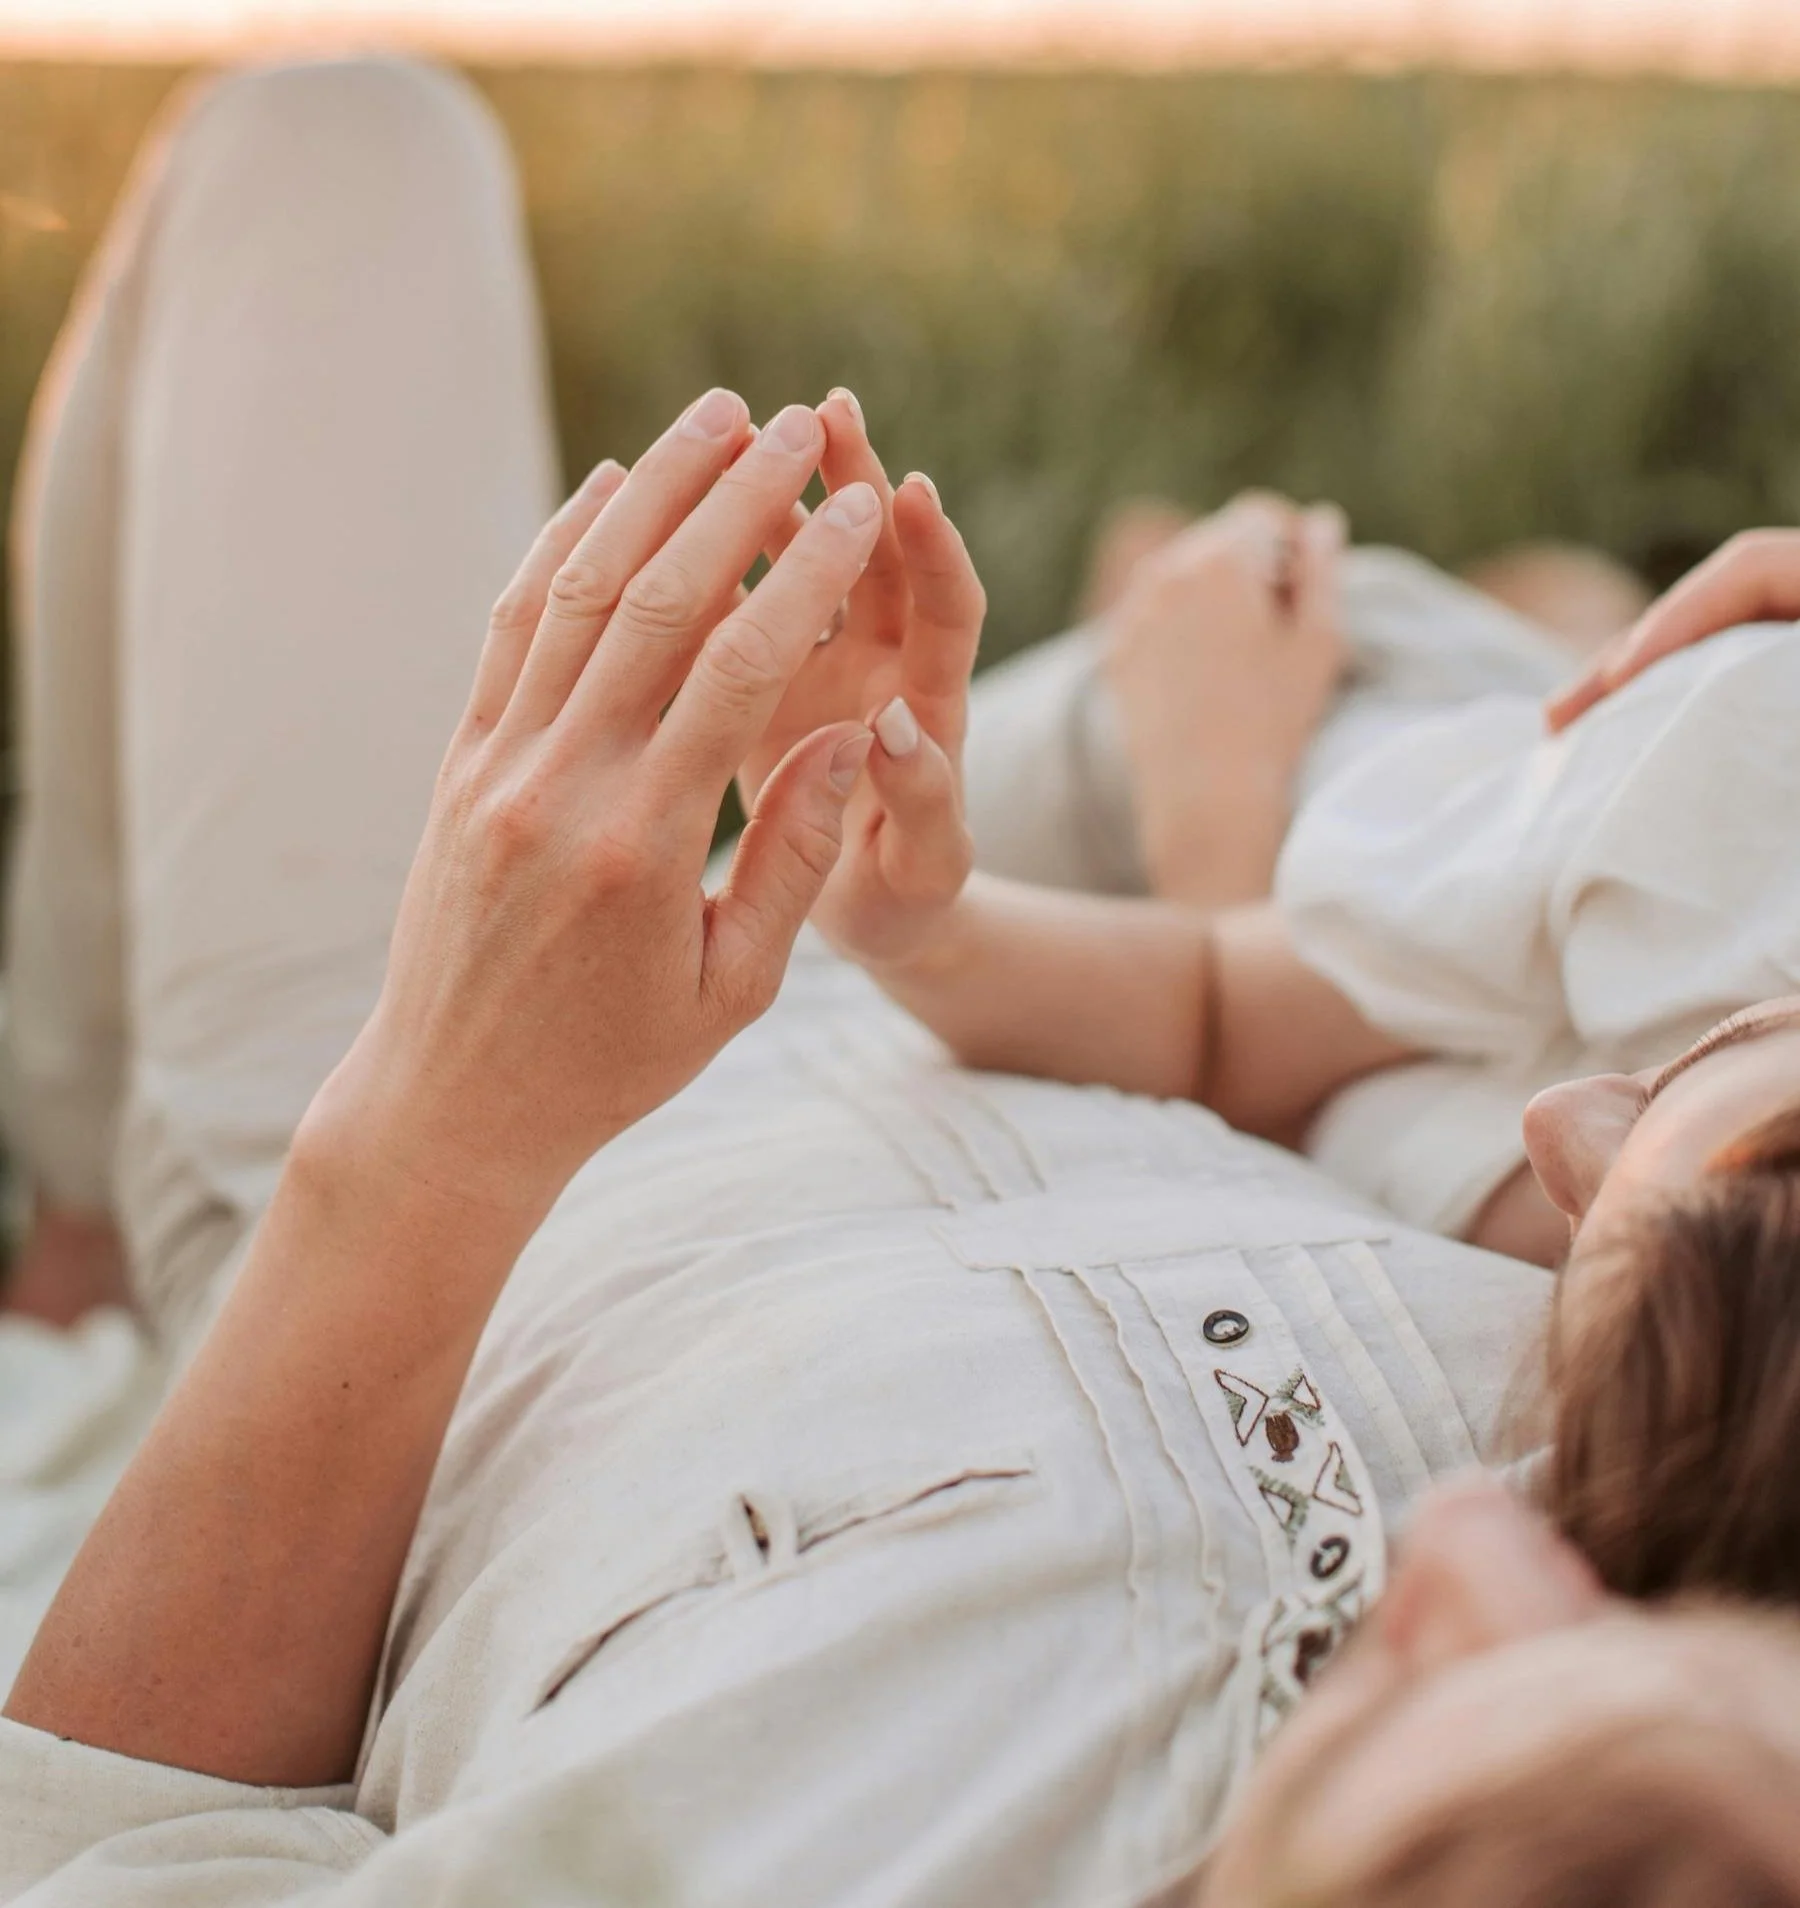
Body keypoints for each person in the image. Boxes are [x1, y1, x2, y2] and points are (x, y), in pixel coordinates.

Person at [2, 53, 1799, 1908]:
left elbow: (121, 1846)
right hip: (998, 948)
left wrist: (441, 1113)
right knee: (1340, 618)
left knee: (330, 144)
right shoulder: (1697, 1438)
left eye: (1459, 1711)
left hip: (424, 1133)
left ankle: (84, 1220)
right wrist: (1007, 884)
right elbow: (1302, 997)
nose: (1479, 1558)